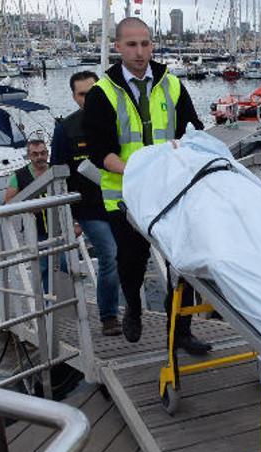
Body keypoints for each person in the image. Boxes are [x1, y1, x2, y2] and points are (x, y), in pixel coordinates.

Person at [83, 17, 211, 354]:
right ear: (118, 47)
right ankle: (134, 310)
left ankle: (180, 328)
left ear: (152, 44)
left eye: (145, 44)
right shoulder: (102, 93)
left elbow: (193, 130)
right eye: (131, 45)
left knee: (183, 264)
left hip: (171, 192)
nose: (139, 52)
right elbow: (99, 152)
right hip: (126, 195)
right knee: (131, 261)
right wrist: (138, 171)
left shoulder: (171, 85)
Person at [50, 70, 121, 337]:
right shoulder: (65, 129)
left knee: (133, 256)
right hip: (90, 209)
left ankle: (133, 311)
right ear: (74, 97)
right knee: (110, 255)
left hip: (122, 204)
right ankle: (109, 316)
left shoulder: (119, 121)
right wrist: (70, 219)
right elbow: (57, 174)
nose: (88, 99)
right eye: (82, 94)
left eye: (93, 93)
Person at [4, 139, 66, 293]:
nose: (40, 157)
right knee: (44, 267)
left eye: (43, 153)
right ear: (29, 156)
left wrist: (76, 223)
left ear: (47, 153)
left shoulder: (56, 170)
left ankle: (67, 298)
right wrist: (28, 208)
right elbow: (8, 203)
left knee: (64, 264)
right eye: (35, 154)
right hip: (35, 229)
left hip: (58, 226)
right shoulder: (18, 176)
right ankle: (48, 305)